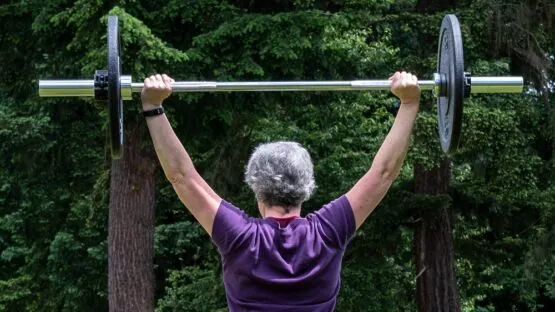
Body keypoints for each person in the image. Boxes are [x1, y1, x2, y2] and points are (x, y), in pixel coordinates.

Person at [141, 71, 420, 311]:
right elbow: (383, 173)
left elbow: (181, 177)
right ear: (307, 187)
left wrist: (153, 106)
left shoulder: (241, 237)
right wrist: (408, 103)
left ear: (256, 190)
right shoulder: (327, 232)